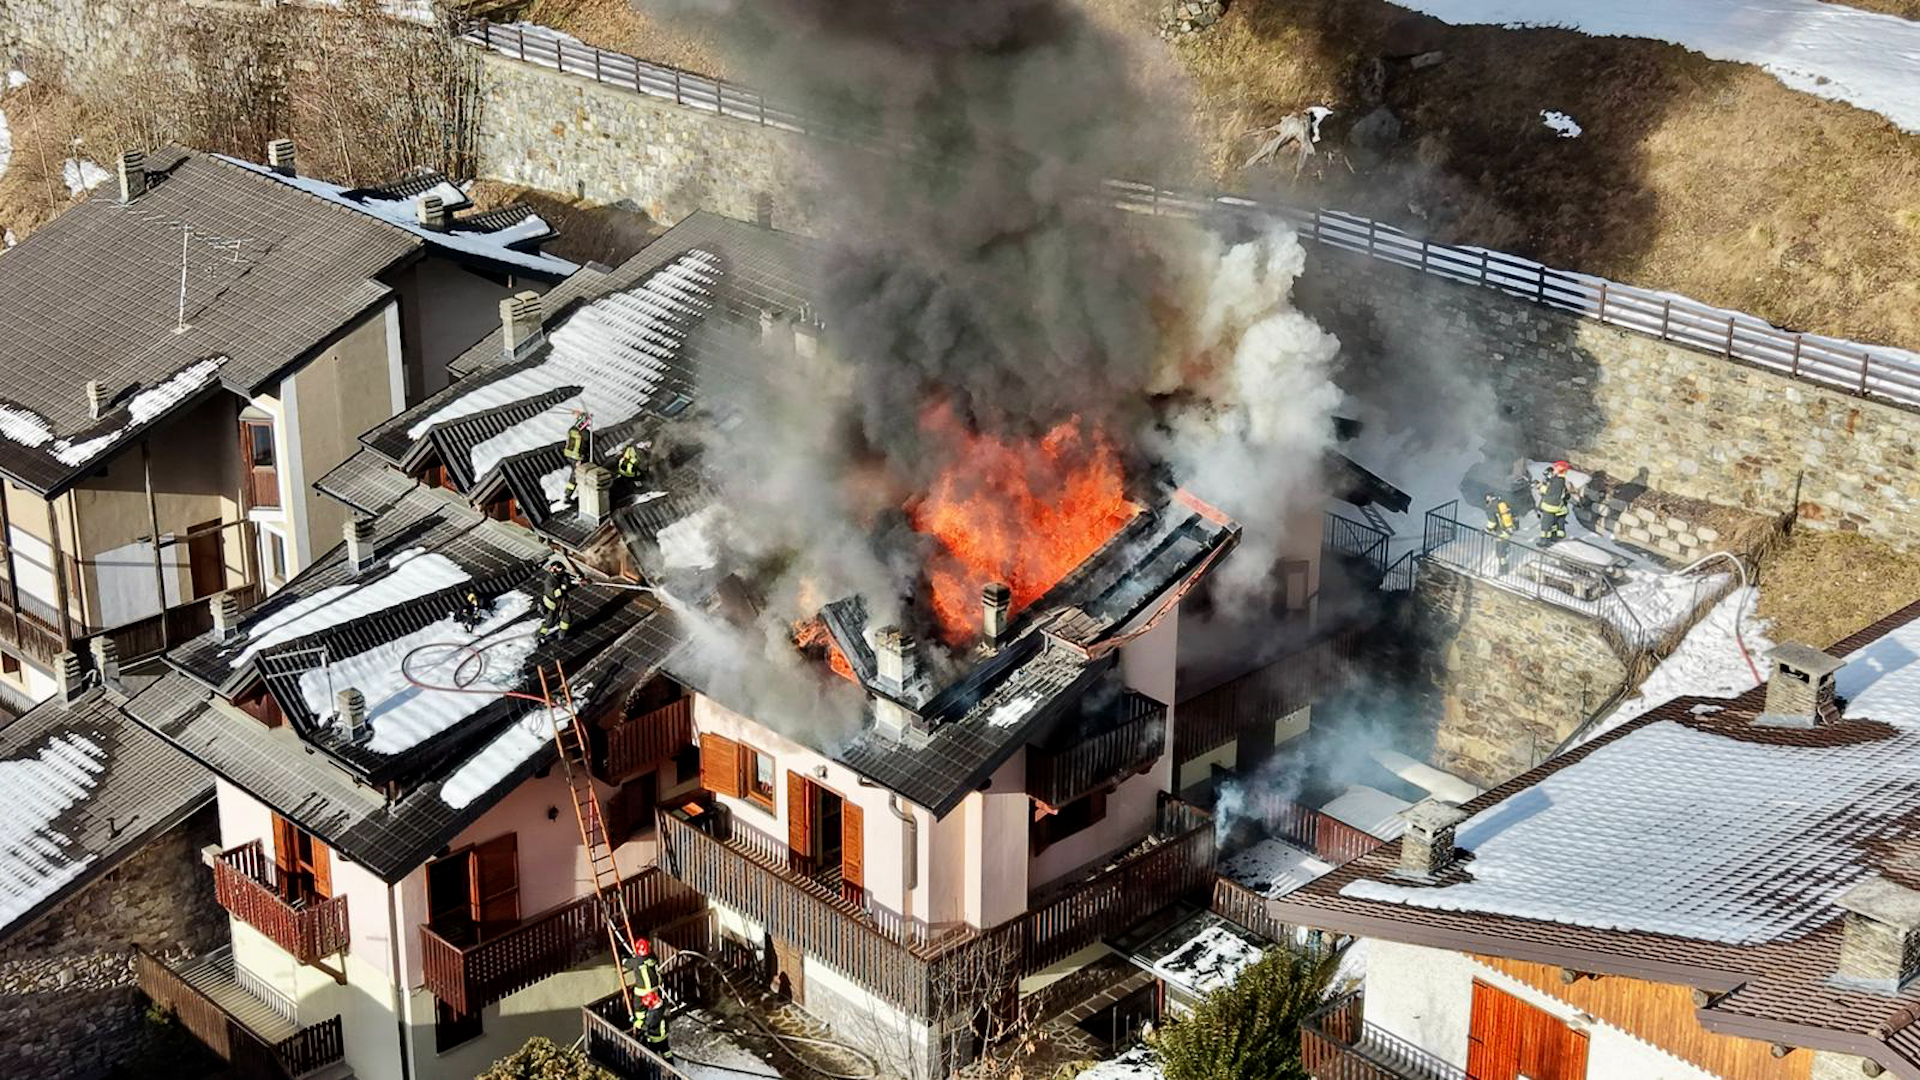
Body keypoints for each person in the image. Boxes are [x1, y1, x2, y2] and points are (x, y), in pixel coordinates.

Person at [1535, 460, 1575, 545]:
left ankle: (1544, 541)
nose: (1554, 470)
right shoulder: (1559, 480)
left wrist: (1539, 486)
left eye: (1556, 468)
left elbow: (1550, 492)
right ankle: (1553, 537)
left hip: (1550, 506)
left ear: (1560, 469)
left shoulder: (1558, 481)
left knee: (1545, 525)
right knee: (1552, 523)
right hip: (1554, 506)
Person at [539, 559, 574, 640]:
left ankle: (562, 635)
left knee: (566, 619)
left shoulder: (563, 576)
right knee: (550, 622)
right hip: (551, 604)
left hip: (563, 603)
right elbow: (554, 593)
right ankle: (540, 634)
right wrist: (562, 588)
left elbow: (568, 582)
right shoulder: (549, 581)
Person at [633, 991, 672, 1064]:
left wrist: (636, 1022)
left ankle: (652, 1065)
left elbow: (647, 1026)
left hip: (655, 1037)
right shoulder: (663, 1004)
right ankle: (670, 1063)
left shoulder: (654, 1014)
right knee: (666, 1050)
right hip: (664, 1033)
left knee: (652, 1052)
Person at [1483, 492, 1517, 573]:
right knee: (1503, 548)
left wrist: (1486, 530)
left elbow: (1492, 522)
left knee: (1500, 552)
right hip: (1509, 529)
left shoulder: (1491, 507)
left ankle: (1503, 569)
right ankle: (1506, 550)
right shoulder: (1502, 503)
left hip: (1501, 532)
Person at [627, 935, 663, 1001]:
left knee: (640, 1010)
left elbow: (626, 963)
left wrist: (624, 958)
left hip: (642, 992)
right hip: (655, 990)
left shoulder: (636, 961)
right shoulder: (653, 958)